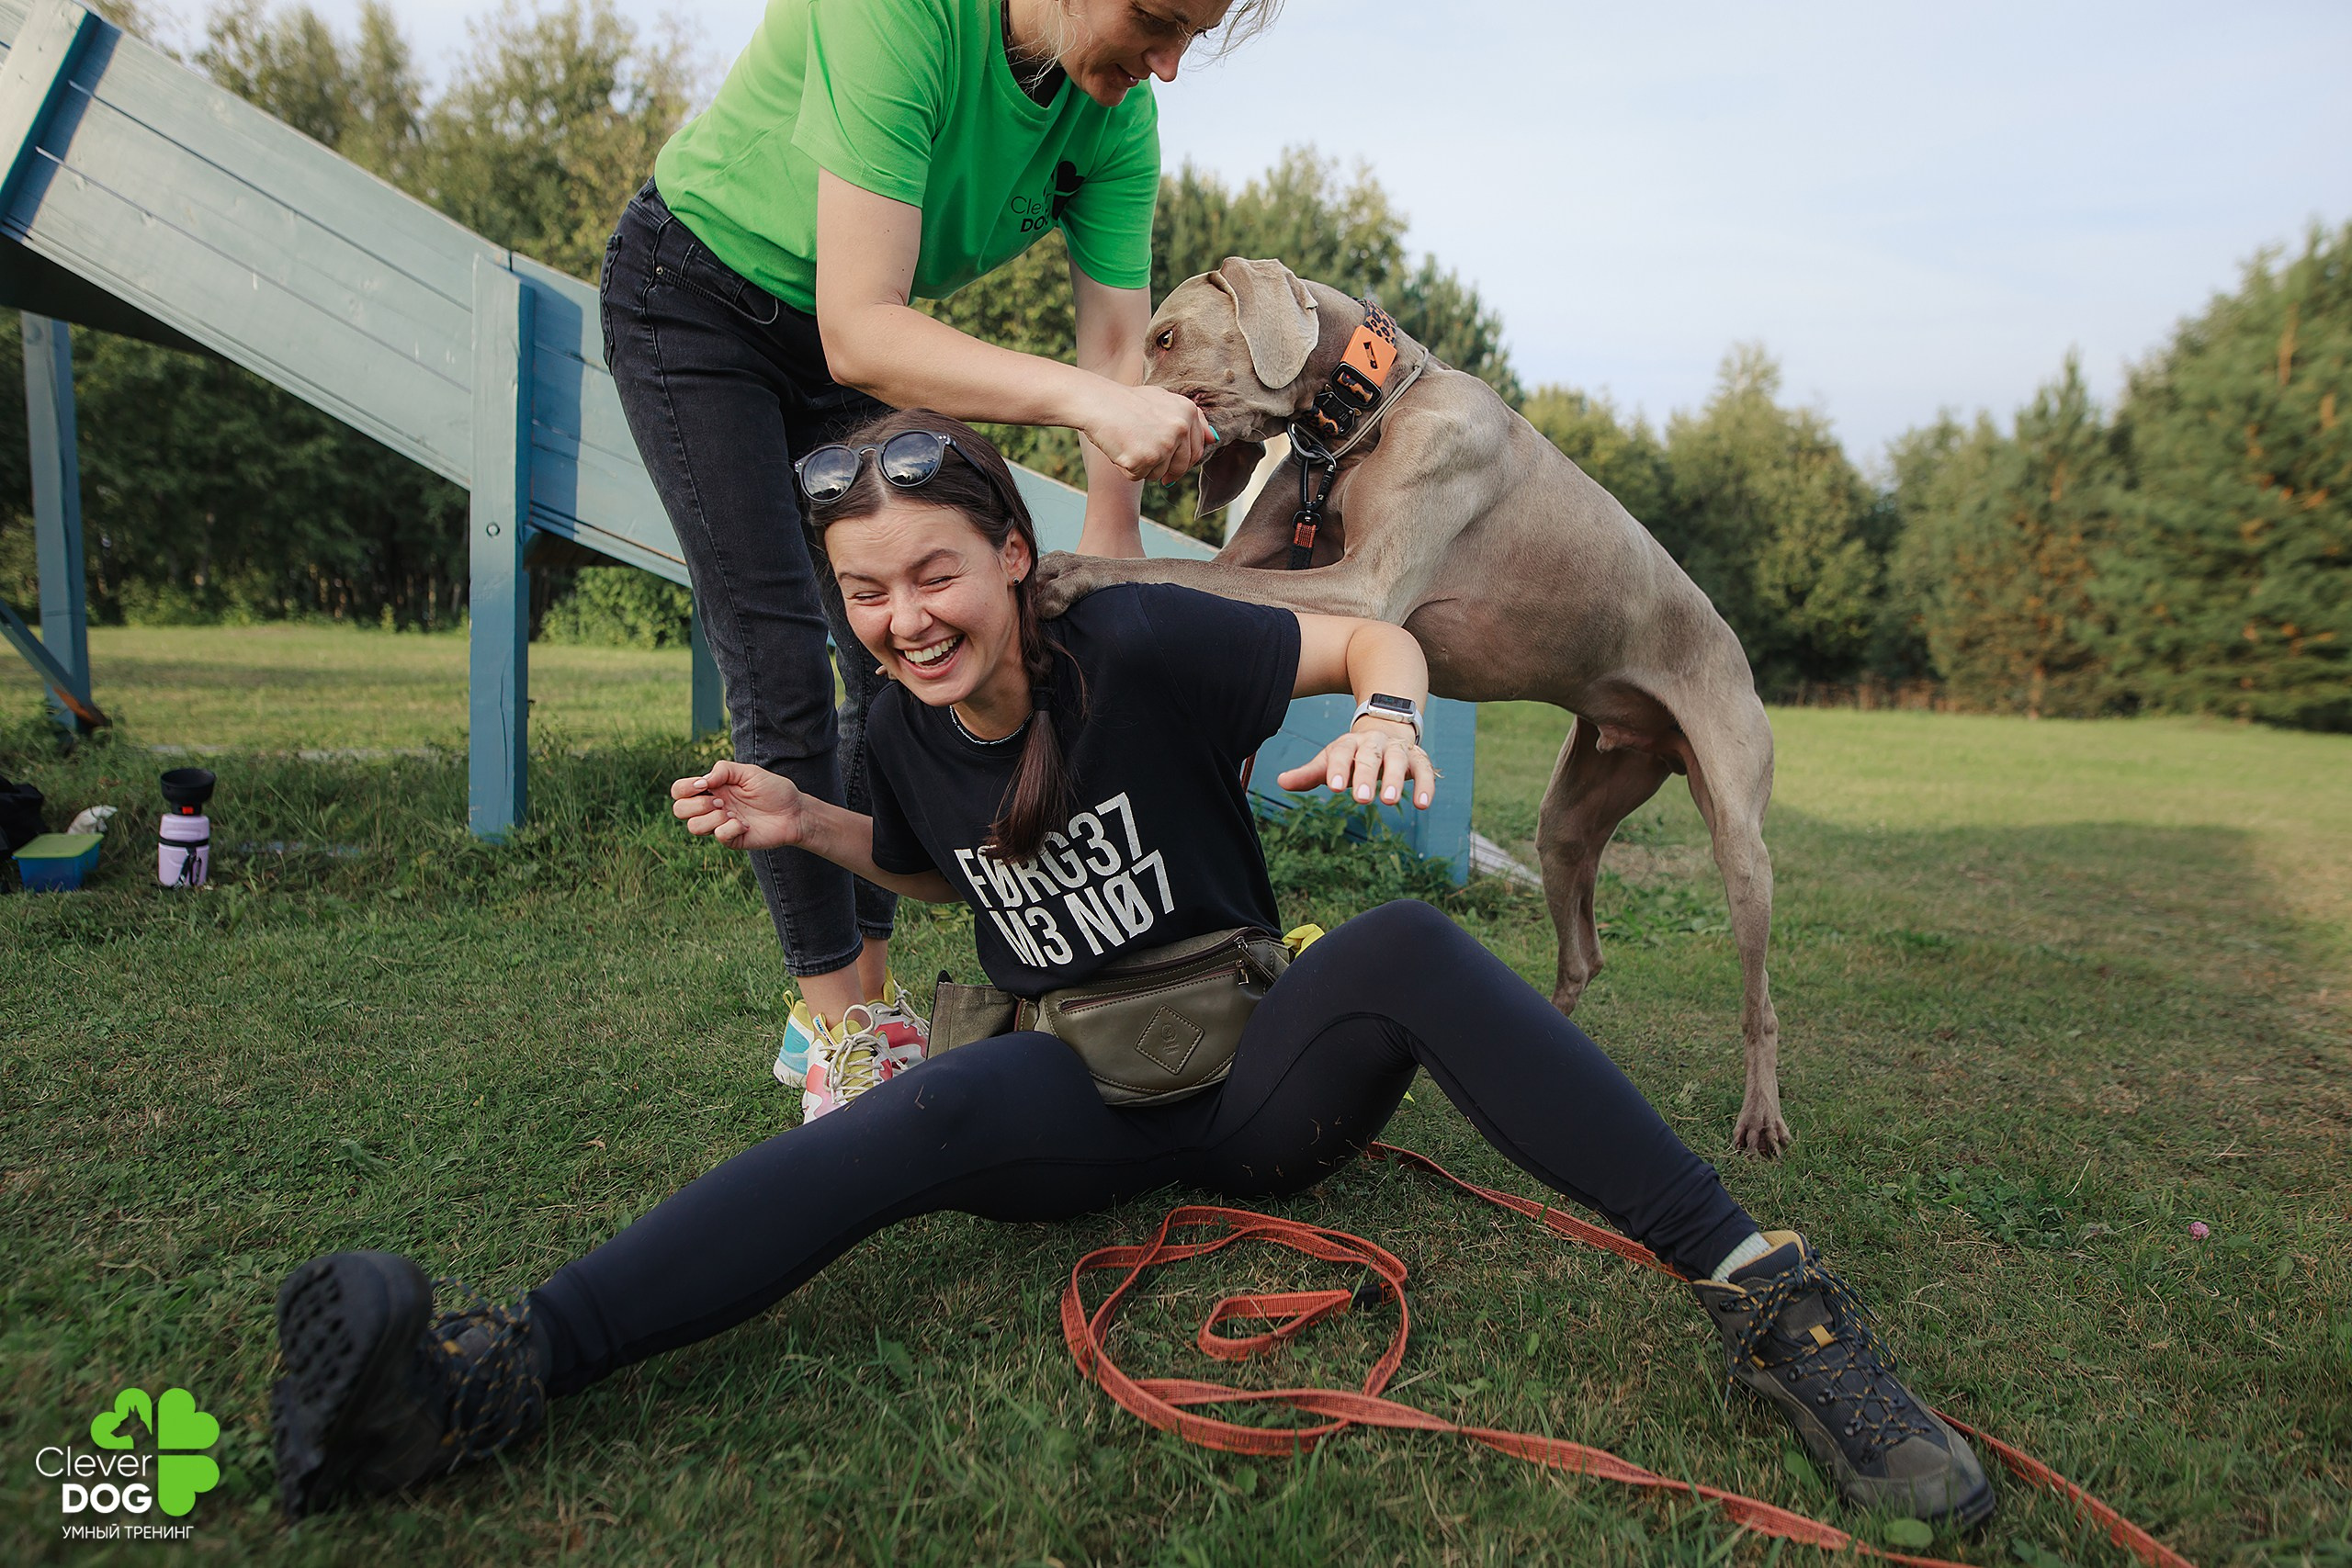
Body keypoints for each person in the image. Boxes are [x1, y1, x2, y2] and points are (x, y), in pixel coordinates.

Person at [267, 415, 1995, 1529]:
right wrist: (815, 816)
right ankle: (478, 1381)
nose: (901, 614)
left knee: (1399, 944)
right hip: (1066, 1091)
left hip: (1258, 1079)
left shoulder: (1146, 635)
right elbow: (951, 860)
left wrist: (1390, 709)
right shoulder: (899, 714)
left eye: (933, 571)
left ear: (1013, 557)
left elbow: (1373, 628)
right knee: (914, 1106)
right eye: (866, 591)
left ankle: (1776, 1305)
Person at [600, 0, 1258, 1096]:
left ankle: (869, 992)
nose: (1170, 66)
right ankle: (836, 1037)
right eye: (1155, 20)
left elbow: (1114, 345)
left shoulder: (1117, 115)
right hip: (697, 301)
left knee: (903, 669)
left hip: (851, 354)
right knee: (775, 657)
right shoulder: (901, 12)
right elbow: (866, 324)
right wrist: (1093, 406)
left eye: (1194, 35)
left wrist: (1109, 554)